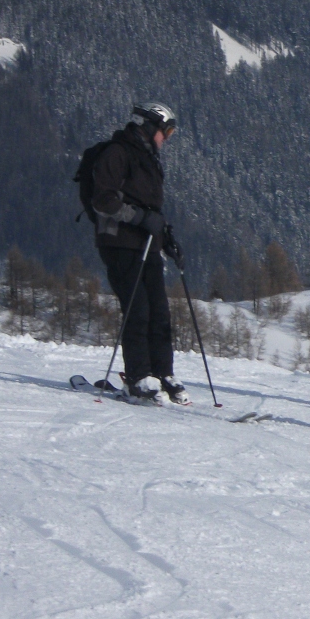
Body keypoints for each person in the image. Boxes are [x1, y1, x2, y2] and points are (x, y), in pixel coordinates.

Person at [89, 102, 188, 405]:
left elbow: (150, 206)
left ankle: (163, 374)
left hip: (148, 245)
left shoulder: (149, 159)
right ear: (149, 127)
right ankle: (138, 377)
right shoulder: (117, 153)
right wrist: (141, 219)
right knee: (138, 310)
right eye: (166, 131)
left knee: (159, 312)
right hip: (120, 244)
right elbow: (102, 200)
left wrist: (164, 235)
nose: (167, 138)